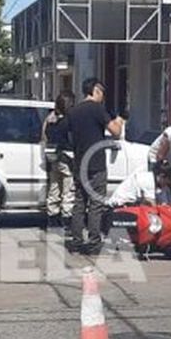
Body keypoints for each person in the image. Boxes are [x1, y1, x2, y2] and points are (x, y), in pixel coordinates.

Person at [66, 77, 123, 252]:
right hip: (96, 163)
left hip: (79, 162)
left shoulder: (73, 111)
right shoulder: (97, 109)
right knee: (96, 204)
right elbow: (116, 132)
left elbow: (68, 136)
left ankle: (76, 240)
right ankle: (93, 241)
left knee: (79, 202)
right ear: (95, 90)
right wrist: (119, 120)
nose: (103, 96)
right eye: (102, 92)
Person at [40, 92, 75, 229]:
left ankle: (52, 219)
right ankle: (67, 220)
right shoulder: (68, 121)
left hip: (52, 157)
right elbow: (72, 139)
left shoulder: (50, 119)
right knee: (68, 190)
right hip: (66, 156)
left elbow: (44, 137)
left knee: (54, 188)